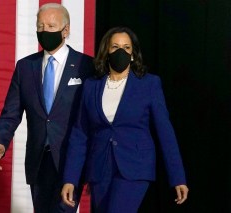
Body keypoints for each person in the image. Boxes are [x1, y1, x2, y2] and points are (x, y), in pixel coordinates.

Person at [61, 27, 189, 213]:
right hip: (99, 170)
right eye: (115, 46)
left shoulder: (149, 84)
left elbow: (165, 132)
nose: (121, 51)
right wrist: (70, 179)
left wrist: (178, 177)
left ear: (132, 54)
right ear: (106, 52)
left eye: (126, 47)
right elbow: (80, 135)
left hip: (134, 168)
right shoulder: (91, 86)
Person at [0, 3, 94, 213]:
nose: (44, 31)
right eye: (40, 26)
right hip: (38, 161)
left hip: (71, 160)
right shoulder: (25, 67)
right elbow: (11, 113)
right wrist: (0, 142)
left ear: (66, 30)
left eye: (51, 26)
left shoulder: (86, 66)